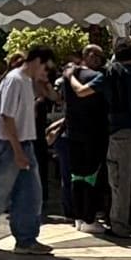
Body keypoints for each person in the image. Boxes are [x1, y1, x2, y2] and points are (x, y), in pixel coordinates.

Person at [66, 38, 131, 238]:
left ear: (116, 55)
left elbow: (81, 92)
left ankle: (120, 225)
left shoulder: (111, 75)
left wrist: (70, 75)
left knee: (120, 180)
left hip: (119, 133)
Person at [0, 46, 56, 254]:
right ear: (36, 61)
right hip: (8, 144)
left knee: (30, 192)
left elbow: (52, 96)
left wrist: (44, 83)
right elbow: (6, 117)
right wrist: (17, 151)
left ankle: (25, 239)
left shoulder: (26, 81)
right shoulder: (15, 80)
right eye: (46, 68)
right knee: (0, 190)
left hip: (23, 143)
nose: (46, 73)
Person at [47, 44, 109, 233]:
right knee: (91, 176)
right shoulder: (98, 77)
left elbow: (59, 98)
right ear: (89, 56)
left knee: (76, 177)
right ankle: (89, 217)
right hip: (93, 133)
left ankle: (79, 217)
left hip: (74, 132)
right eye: (98, 55)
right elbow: (83, 93)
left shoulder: (67, 78)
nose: (100, 59)